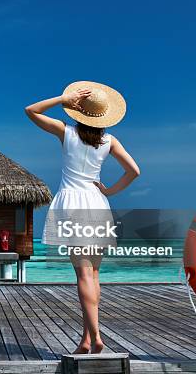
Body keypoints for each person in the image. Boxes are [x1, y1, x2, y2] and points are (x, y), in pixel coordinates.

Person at [25, 81, 140, 354]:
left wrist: (64, 98)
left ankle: (97, 337)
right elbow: (134, 171)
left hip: (73, 204)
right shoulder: (109, 140)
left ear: (78, 110)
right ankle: (86, 340)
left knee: (83, 274)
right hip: (97, 203)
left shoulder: (66, 133)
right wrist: (109, 191)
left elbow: (31, 110)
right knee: (94, 274)